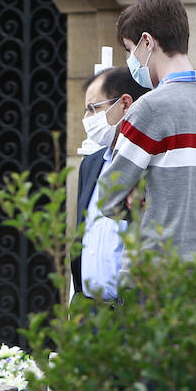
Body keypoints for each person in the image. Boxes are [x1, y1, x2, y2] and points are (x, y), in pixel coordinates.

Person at [97, 0, 196, 264]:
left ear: (147, 42)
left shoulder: (149, 109)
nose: (131, 61)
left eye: (130, 49)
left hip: (151, 279)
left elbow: (106, 197)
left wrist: (141, 202)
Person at [73, 66, 148, 298]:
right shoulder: (91, 164)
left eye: (93, 109)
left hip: (129, 313)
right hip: (88, 308)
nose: (86, 119)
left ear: (125, 104)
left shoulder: (150, 164)